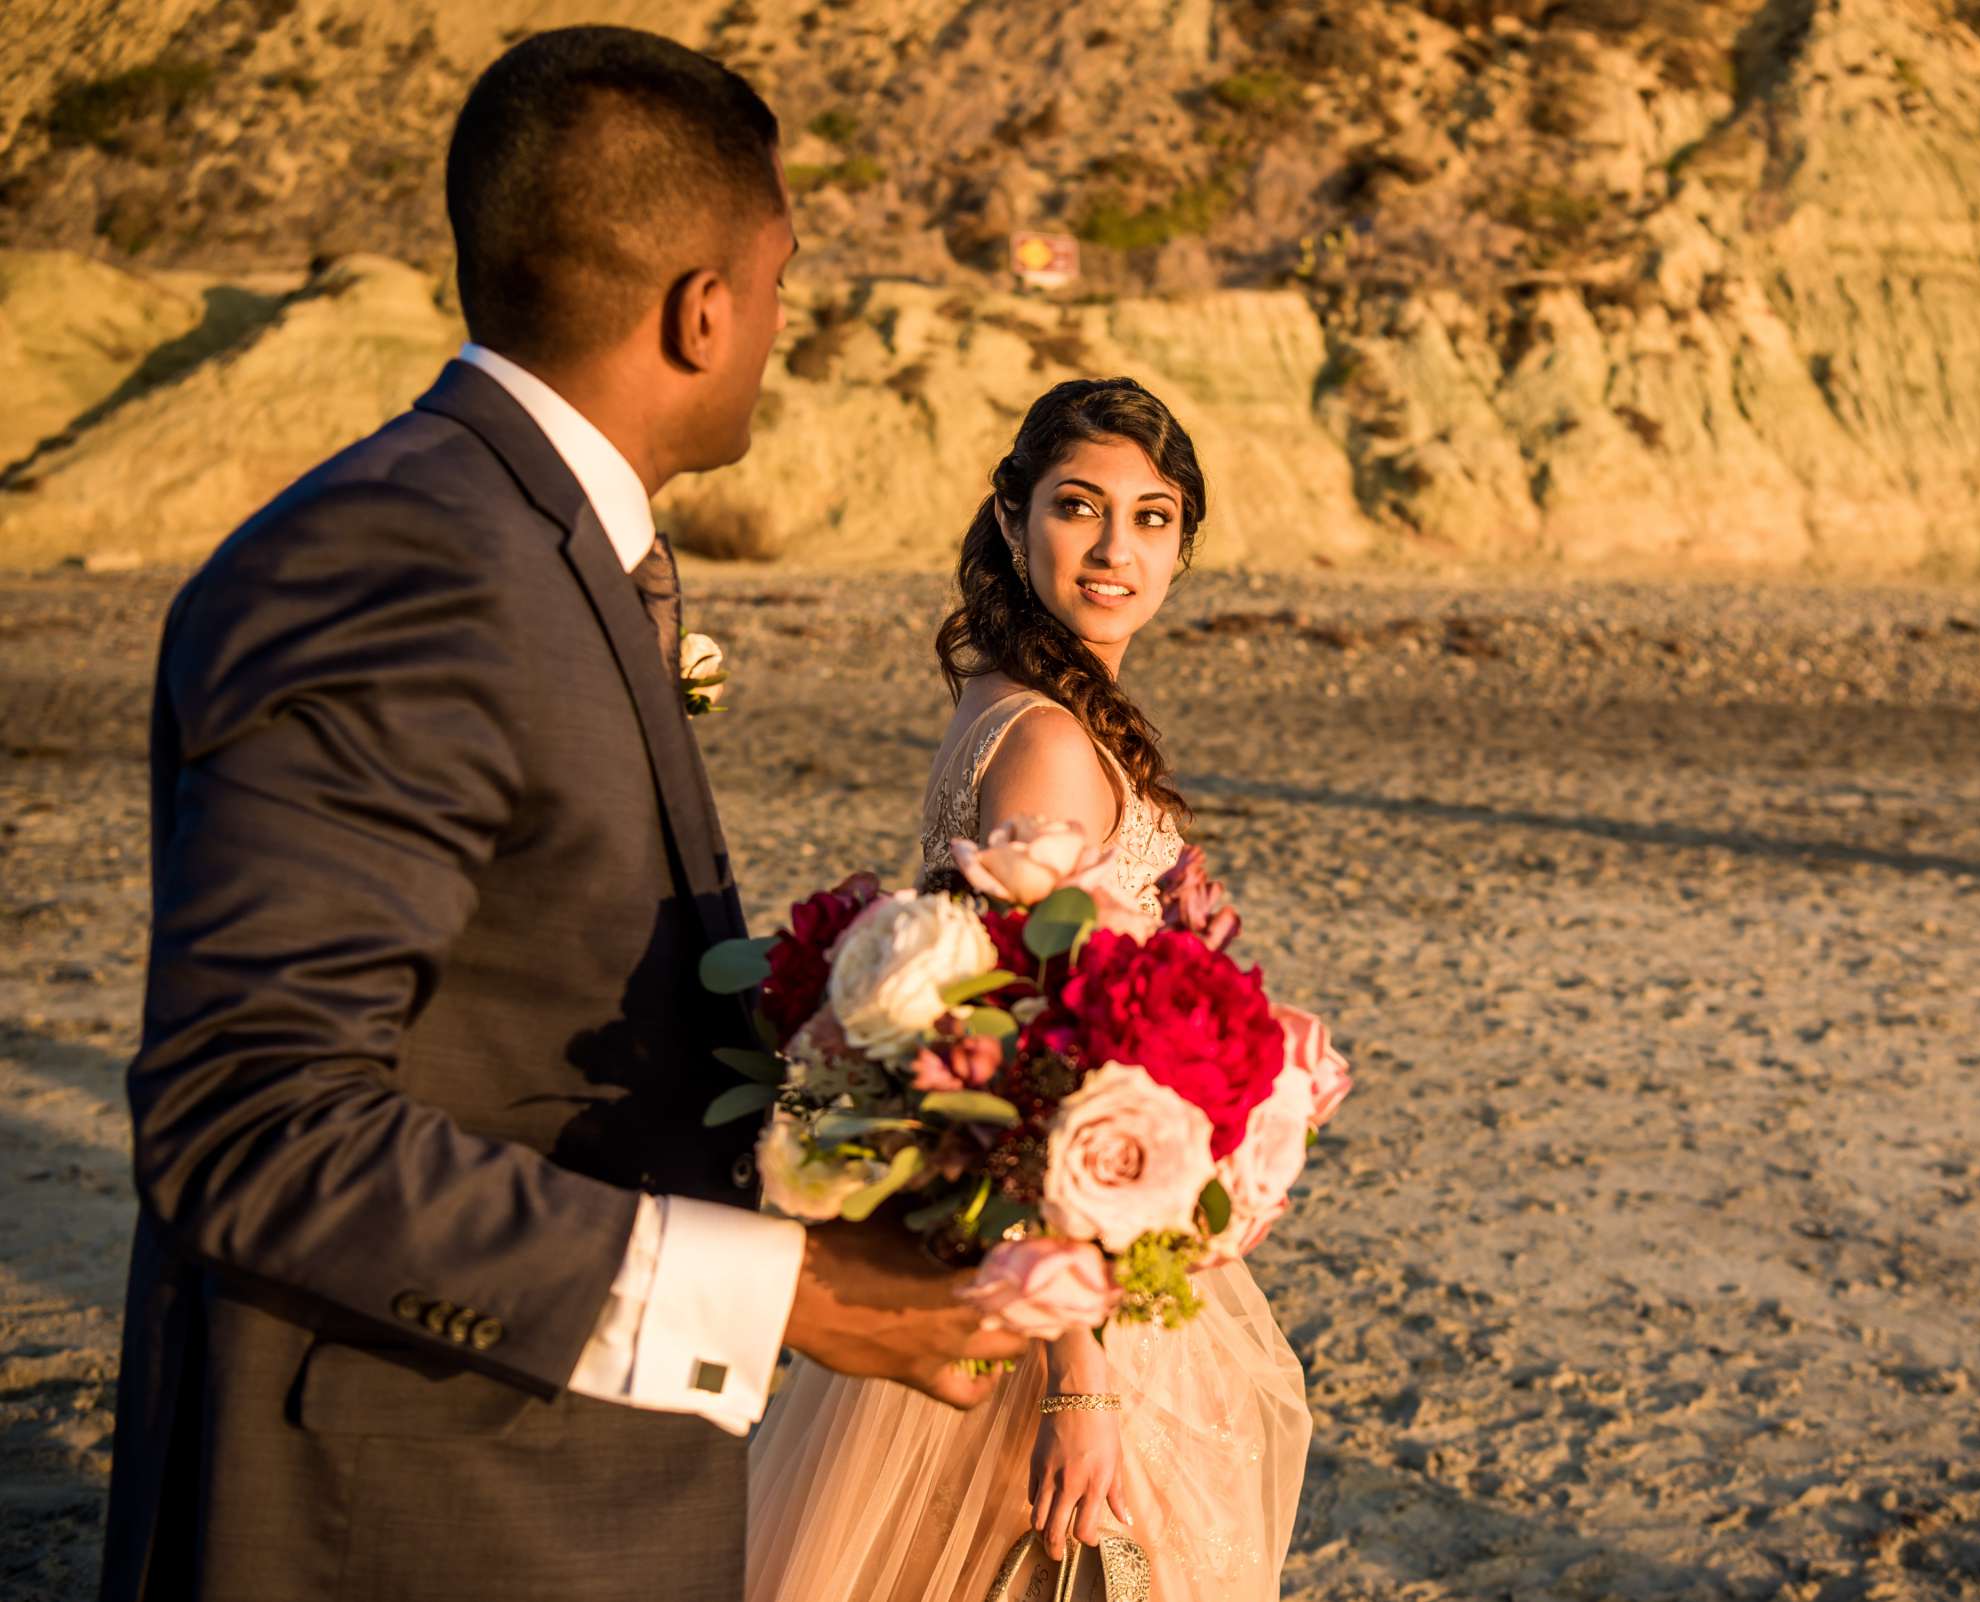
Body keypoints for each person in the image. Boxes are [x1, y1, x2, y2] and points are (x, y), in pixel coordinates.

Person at [100, 28, 1021, 1602]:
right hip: (408, 1515)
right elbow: (249, 1115)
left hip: (542, 1485)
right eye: (782, 280)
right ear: (702, 308)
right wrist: (776, 1289)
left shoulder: (524, 539)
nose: (783, 325)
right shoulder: (406, 560)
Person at [745, 379, 1310, 1602]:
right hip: (1059, 1305)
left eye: (1153, 518)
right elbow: (1040, 1080)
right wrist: (1083, 1390)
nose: (1117, 550)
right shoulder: (1052, 738)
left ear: (1185, 543)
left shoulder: (1002, 704)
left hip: (1035, 1257)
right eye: (1079, 508)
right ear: (1013, 521)